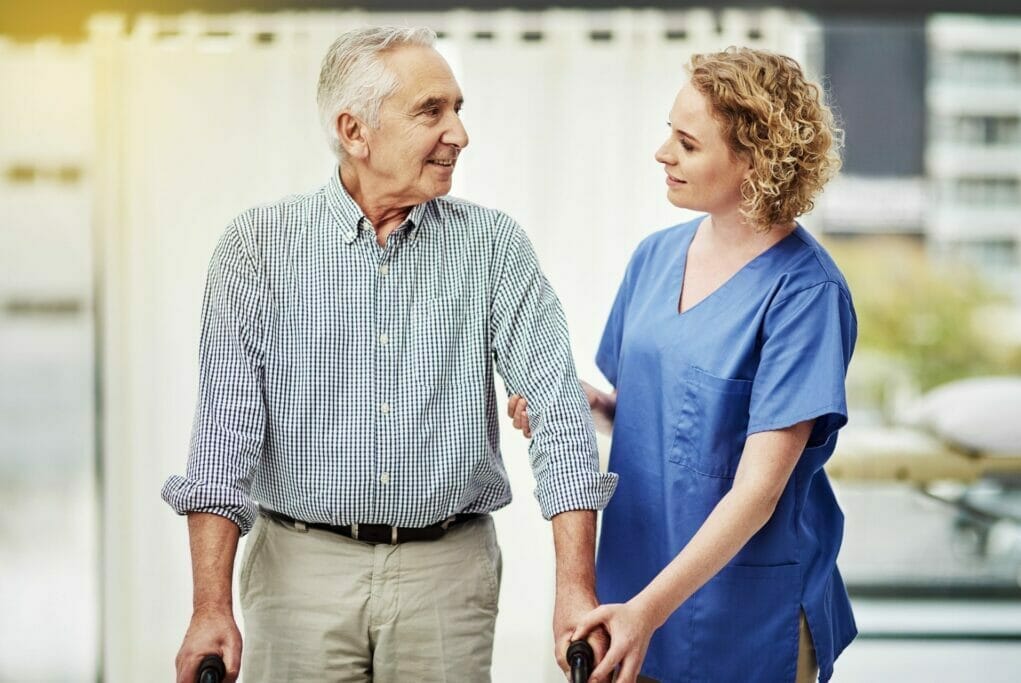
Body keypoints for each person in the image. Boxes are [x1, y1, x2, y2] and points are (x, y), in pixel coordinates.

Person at [162, 26, 617, 683]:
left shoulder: (493, 246)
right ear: (355, 131)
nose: (458, 133)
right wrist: (210, 605)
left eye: (459, 109)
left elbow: (559, 417)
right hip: (296, 568)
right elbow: (223, 437)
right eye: (431, 111)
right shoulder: (256, 248)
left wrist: (575, 587)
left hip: (448, 572)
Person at [509, 47, 856, 682]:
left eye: (688, 143)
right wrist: (593, 406)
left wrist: (648, 612)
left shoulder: (805, 296)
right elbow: (667, 420)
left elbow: (756, 491)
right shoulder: (655, 257)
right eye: (669, 132)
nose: (663, 153)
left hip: (746, 615)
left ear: (756, 160)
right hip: (633, 585)